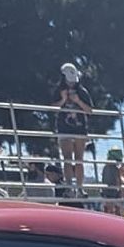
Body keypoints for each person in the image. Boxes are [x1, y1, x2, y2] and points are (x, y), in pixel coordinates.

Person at [54, 62, 93, 192]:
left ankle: (80, 188)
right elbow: (53, 108)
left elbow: (89, 110)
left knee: (79, 159)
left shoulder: (82, 92)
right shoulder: (58, 91)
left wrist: (78, 101)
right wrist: (63, 100)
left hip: (80, 129)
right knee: (67, 159)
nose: (71, 84)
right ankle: (69, 186)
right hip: (64, 128)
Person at [98, 147, 124, 217]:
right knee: (117, 207)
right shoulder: (115, 169)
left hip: (105, 192)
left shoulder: (105, 167)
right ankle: (118, 215)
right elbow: (118, 181)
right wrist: (121, 189)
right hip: (113, 193)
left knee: (108, 209)